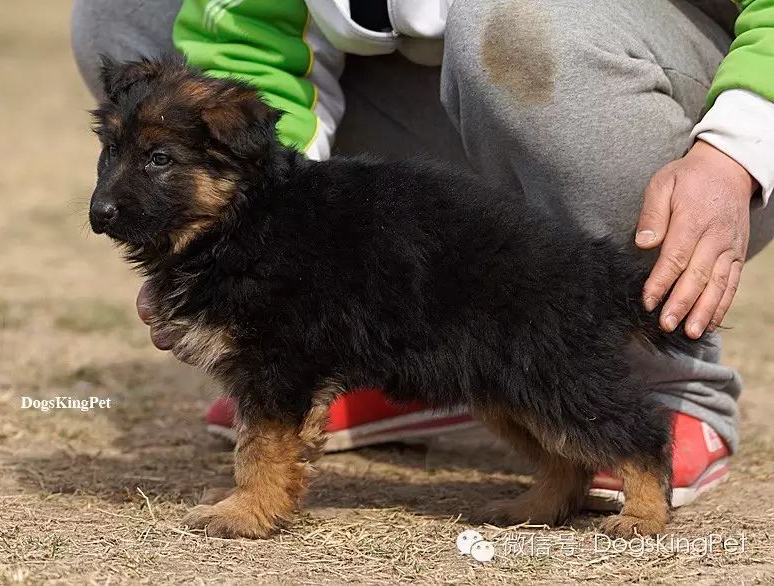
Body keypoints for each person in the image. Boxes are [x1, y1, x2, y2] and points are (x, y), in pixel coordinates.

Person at [72, 0, 774, 510]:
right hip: (430, 88)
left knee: (510, 23)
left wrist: (736, 150)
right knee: (127, 11)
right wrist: (270, 248)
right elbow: (244, 47)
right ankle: (377, 360)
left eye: (157, 161)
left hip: (660, 69)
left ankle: (673, 389)